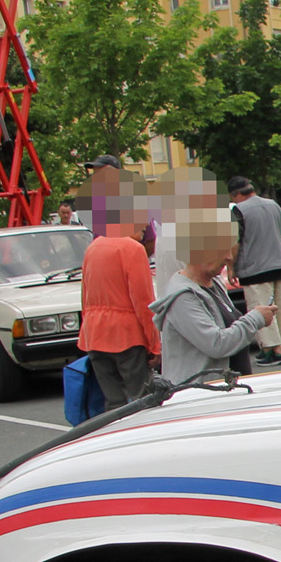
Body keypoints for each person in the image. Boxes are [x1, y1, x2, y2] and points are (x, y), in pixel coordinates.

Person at [149, 215, 275, 384]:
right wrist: (256, 318)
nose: (229, 258)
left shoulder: (213, 284)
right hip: (200, 398)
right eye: (224, 249)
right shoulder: (182, 296)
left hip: (222, 393)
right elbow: (217, 344)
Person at [76, 156, 160, 406]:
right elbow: (144, 302)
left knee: (113, 404)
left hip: (95, 335)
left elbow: (85, 295)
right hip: (125, 336)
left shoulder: (94, 247)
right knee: (143, 401)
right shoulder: (132, 249)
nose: (146, 227)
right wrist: (154, 345)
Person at [228, 177, 281, 367]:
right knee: (276, 308)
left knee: (260, 307)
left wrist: (231, 266)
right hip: (277, 264)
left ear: (236, 194)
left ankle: (277, 350)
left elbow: (236, 241)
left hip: (254, 268)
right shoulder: (273, 205)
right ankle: (269, 348)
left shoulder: (239, 210)